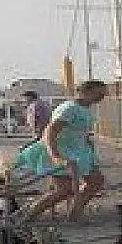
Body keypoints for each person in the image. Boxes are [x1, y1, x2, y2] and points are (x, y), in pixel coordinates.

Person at [13, 80, 109, 223]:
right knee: (64, 190)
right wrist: (55, 155)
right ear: (86, 92)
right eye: (99, 93)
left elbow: (80, 131)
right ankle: (28, 215)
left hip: (79, 151)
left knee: (95, 181)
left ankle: (75, 214)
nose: (102, 96)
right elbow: (50, 131)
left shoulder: (85, 108)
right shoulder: (69, 108)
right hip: (62, 150)